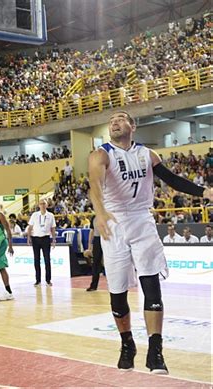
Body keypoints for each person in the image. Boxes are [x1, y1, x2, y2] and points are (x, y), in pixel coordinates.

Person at [88, 110, 212, 374]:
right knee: (118, 294)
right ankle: (127, 343)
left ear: (132, 125)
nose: (114, 123)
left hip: (142, 221)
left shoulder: (148, 154)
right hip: (114, 223)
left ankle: (156, 351)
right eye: (111, 121)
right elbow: (95, 184)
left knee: (151, 285)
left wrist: (205, 192)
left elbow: (172, 180)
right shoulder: (101, 154)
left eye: (120, 119)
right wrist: (99, 211)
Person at [27, 199, 57, 286]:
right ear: (38, 205)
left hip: (46, 239)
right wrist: (28, 237)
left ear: (47, 205)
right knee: (36, 260)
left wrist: (54, 239)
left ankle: (48, 280)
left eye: (44, 203)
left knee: (47, 259)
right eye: (41, 204)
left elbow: (53, 228)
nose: (42, 205)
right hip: (35, 238)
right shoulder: (34, 215)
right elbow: (30, 227)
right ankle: (38, 280)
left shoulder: (51, 215)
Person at [84, 215, 103, 291]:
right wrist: (89, 245)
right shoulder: (94, 218)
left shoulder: (107, 215)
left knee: (109, 262)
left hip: (107, 239)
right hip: (97, 240)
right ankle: (93, 285)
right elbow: (92, 231)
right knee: (95, 262)